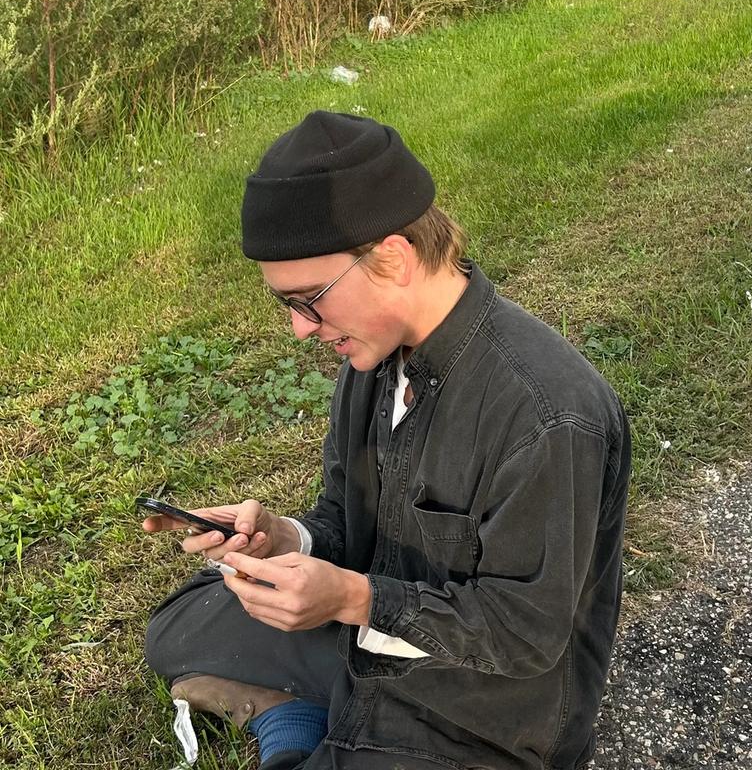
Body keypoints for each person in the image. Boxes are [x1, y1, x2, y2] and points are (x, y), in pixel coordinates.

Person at [143, 110, 631, 770]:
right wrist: (288, 541)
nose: (299, 328)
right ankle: (302, 713)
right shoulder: (370, 363)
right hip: (365, 645)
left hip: (479, 718)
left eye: (309, 299)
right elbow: (344, 516)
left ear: (394, 258)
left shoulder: (547, 413)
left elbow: (526, 635)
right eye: (286, 304)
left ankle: (291, 727)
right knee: (183, 622)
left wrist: (349, 598)